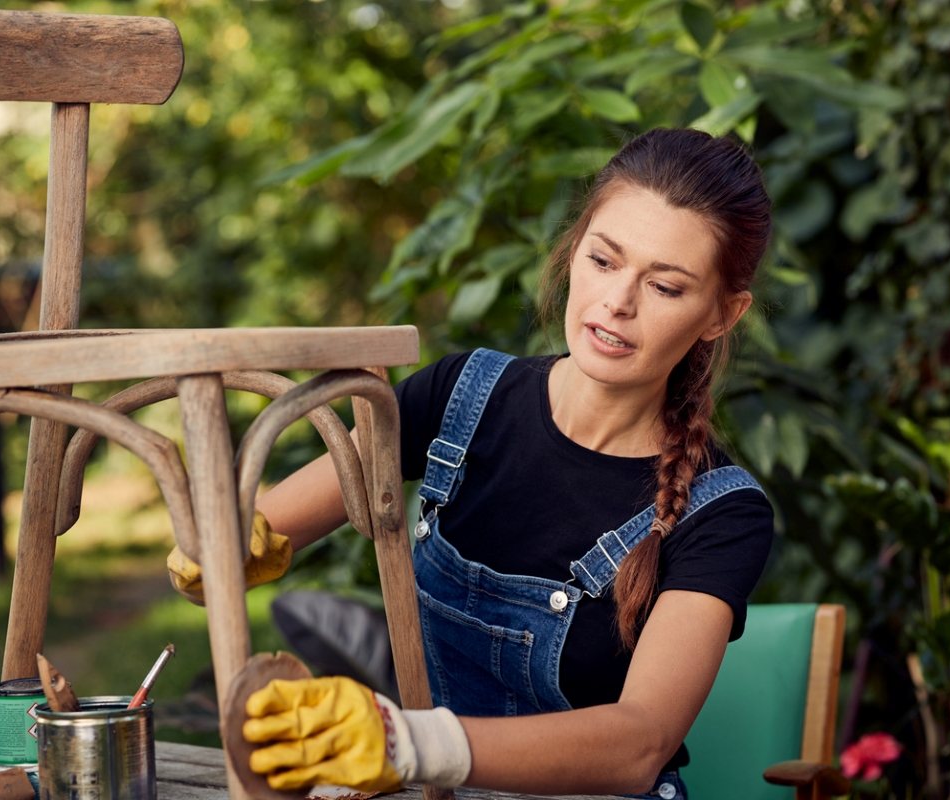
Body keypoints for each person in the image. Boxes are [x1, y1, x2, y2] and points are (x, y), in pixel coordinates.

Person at [168, 127, 775, 800]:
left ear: (722, 314)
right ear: (575, 250)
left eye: (664, 286)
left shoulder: (723, 511)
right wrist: (220, 551)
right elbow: (261, 526)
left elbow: (640, 742)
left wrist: (409, 744)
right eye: (604, 261)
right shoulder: (463, 397)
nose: (618, 303)